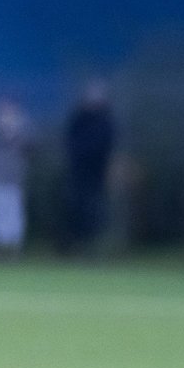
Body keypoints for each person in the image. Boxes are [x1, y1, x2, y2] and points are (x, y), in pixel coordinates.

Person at [61, 80, 116, 253]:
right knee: (75, 207)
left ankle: (93, 246)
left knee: (94, 210)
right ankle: (75, 244)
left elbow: (105, 145)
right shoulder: (79, 118)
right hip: (78, 172)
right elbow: (70, 141)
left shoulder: (105, 120)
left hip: (97, 173)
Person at [0, 97, 31, 255]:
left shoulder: (20, 136)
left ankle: (14, 247)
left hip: (14, 180)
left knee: (14, 214)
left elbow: (28, 149)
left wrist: (15, 132)